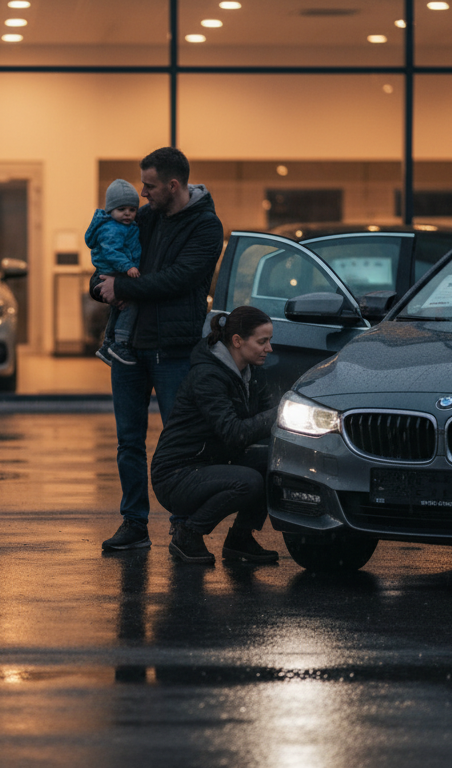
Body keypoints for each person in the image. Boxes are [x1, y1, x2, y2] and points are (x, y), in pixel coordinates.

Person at [91, 147, 224, 552]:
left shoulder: (205, 226)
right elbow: (109, 263)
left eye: (149, 186)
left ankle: (184, 528)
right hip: (129, 347)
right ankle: (134, 524)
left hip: (175, 350)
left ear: (172, 184)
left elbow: (179, 279)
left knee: (178, 442)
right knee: (128, 441)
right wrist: (100, 286)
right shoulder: (143, 218)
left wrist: (123, 287)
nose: (142, 193)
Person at [150, 306, 279, 565]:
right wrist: (278, 414)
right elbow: (234, 432)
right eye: (262, 341)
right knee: (250, 481)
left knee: (273, 464)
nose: (269, 349)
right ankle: (188, 534)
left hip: (210, 464)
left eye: (269, 341)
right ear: (237, 341)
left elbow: (266, 418)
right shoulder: (207, 376)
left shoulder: (253, 373)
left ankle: (240, 540)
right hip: (176, 475)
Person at [86, 179, 142, 366]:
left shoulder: (125, 226)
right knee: (129, 304)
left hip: (117, 271)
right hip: (114, 271)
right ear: (110, 210)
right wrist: (128, 266)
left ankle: (108, 344)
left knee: (118, 309)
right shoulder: (112, 228)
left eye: (132, 210)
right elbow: (111, 251)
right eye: (121, 209)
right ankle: (121, 344)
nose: (127, 213)